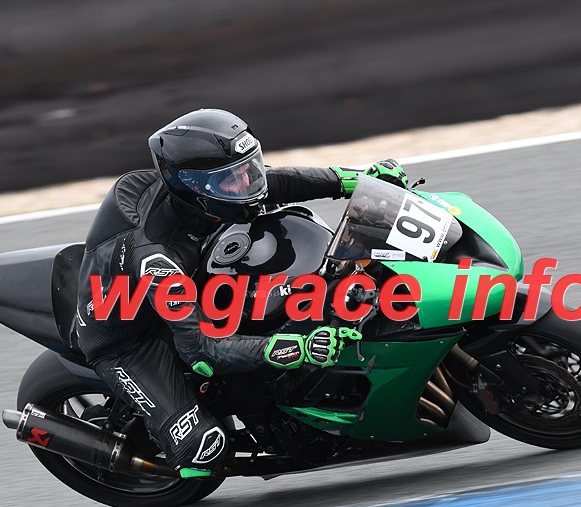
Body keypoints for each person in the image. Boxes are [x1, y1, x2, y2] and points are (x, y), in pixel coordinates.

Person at [75, 108, 409, 478]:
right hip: (128, 338)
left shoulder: (202, 196)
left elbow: (274, 182)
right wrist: (298, 349)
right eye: (232, 180)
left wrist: (359, 181)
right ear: (195, 188)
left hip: (191, 282)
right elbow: (202, 349)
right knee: (203, 450)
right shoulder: (155, 258)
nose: (248, 183)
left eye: (249, 169)